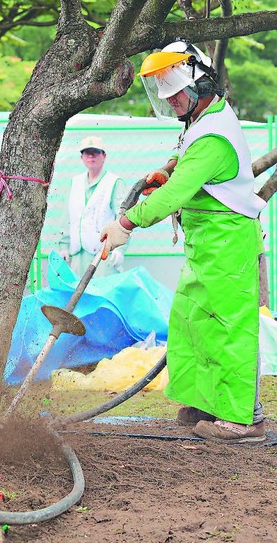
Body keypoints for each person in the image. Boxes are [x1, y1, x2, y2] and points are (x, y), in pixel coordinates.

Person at [100, 41, 267, 444]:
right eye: (164, 94)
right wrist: (169, 169)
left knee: (229, 328)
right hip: (207, 244)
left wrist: (125, 222)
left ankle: (246, 420)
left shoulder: (213, 136)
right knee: (193, 321)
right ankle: (210, 403)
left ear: (200, 83)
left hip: (227, 244)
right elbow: (187, 166)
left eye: (175, 92)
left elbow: (175, 196)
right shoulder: (204, 120)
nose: (169, 100)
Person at [59, 136, 127, 277]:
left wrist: (120, 249)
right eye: (86, 152)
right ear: (82, 157)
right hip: (78, 256)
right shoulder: (75, 182)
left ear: (104, 156)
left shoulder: (114, 182)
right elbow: (68, 218)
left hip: (104, 254)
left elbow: (124, 218)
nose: (91, 156)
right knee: (80, 295)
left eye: (95, 152)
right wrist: (64, 246)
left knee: (102, 295)